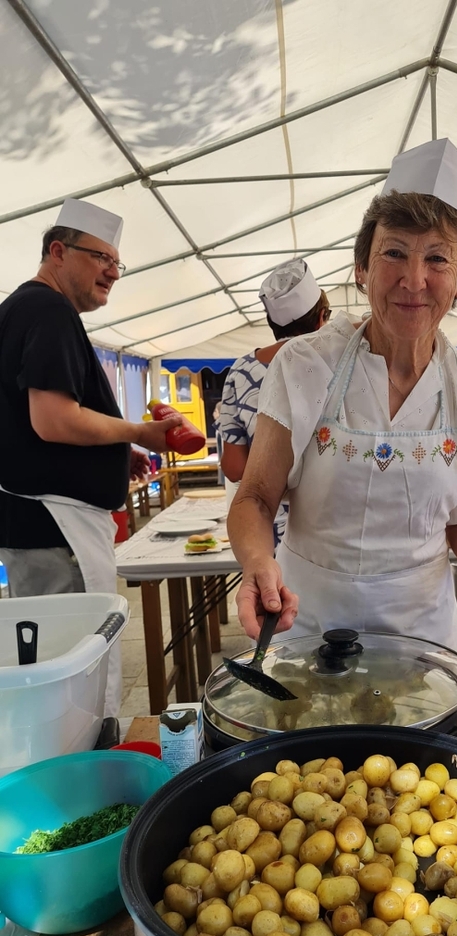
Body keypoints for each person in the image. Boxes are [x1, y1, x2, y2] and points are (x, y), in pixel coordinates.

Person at [229, 137, 457, 649]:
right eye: (394, 253)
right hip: (306, 624)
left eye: (437, 259)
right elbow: (255, 497)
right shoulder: (304, 365)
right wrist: (258, 562)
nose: (414, 281)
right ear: (362, 269)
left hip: (423, 635)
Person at [0, 198, 180, 714]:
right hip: (57, 530)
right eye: (101, 258)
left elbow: (29, 428)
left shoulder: (22, 309)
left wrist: (116, 451)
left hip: (40, 526)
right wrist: (140, 433)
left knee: (50, 668)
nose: (112, 272)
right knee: (70, 681)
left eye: (117, 262)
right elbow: (53, 419)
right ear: (58, 252)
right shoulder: (48, 310)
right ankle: (80, 759)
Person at [219, 259, 330, 544]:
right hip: (330, 531)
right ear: (322, 318)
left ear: (271, 323)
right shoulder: (338, 364)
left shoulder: (241, 371)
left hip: (267, 530)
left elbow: (233, 467)